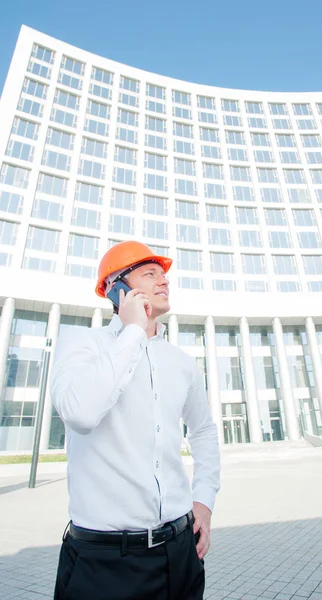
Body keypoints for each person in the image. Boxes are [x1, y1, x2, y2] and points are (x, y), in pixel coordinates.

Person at [50, 240, 220, 600]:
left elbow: (203, 430)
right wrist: (132, 333)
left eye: (163, 274)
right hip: (104, 563)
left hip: (181, 553)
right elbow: (80, 413)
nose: (163, 280)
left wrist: (203, 500)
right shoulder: (81, 344)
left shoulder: (181, 362)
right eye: (149, 273)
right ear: (117, 287)